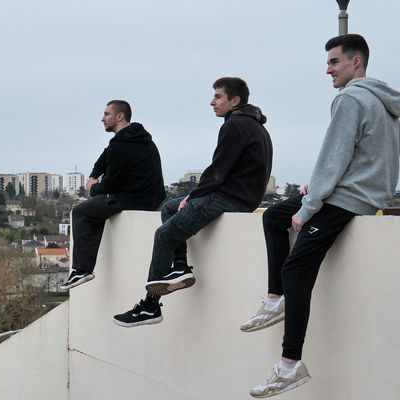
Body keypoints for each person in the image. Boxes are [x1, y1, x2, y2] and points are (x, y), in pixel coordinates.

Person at [245, 34, 400, 398]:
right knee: (272, 218)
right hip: (364, 192)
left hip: (347, 199)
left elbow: (336, 153)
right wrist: (315, 187)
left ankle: (289, 365)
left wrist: (309, 206)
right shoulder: (385, 101)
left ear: (356, 62)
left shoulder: (349, 98)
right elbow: (362, 155)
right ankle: (274, 300)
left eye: (334, 62)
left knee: (296, 269)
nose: (327, 69)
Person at [113, 77, 273, 327]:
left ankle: (150, 306)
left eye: (218, 97)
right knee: (168, 207)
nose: (212, 102)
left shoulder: (236, 125)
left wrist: (194, 195)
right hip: (240, 197)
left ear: (235, 100)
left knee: (164, 235)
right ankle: (180, 266)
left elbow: (218, 170)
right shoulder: (254, 125)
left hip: (229, 198)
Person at [60, 100, 166, 290]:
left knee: (81, 212)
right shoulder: (137, 138)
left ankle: (82, 270)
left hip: (134, 200)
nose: (102, 119)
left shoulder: (121, 145)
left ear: (120, 116)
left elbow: (110, 184)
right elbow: (106, 156)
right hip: (153, 199)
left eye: (106, 114)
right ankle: (83, 268)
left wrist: (92, 188)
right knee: (97, 205)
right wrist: (93, 176)